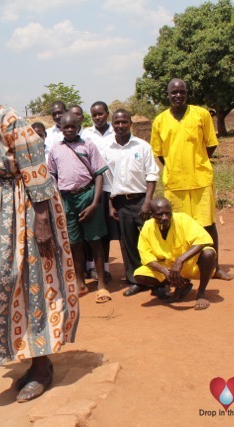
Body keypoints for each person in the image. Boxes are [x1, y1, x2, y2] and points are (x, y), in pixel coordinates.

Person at [0, 64, 79, 403]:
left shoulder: (8, 120)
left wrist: (41, 222)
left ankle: (42, 366)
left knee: (35, 282)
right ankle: (28, 357)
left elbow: (35, 166)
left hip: (28, 203)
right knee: (2, 283)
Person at [151, 78, 233, 281]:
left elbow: (211, 145)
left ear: (187, 94)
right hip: (175, 183)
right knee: (178, 228)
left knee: (207, 224)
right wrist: (175, 166)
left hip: (200, 179)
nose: (178, 95)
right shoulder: (159, 121)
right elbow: (160, 154)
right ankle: (186, 268)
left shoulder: (201, 114)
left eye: (182, 92)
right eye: (174, 92)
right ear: (167, 95)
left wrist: (197, 162)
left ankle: (215, 267)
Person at [48, 112, 110, 302]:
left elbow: (99, 174)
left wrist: (94, 203)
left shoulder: (88, 145)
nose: (68, 130)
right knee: (74, 243)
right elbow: (52, 176)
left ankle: (101, 284)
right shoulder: (55, 149)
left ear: (78, 126)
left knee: (95, 241)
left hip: (87, 195)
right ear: (60, 128)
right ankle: (79, 281)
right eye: (65, 127)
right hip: (67, 199)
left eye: (72, 127)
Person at [105, 109, 159, 296]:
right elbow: (106, 181)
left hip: (141, 200)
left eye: (124, 122)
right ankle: (136, 280)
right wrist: (111, 205)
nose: (120, 126)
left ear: (131, 124)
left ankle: (158, 280)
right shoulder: (107, 149)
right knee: (127, 244)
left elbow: (152, 175)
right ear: (112, 124)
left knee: (151, 241)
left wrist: (148, 202)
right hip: (120, 203)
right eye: (117, 122)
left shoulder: (142, 146)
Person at [134, 197, 217, 310]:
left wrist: (180, 260)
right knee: (140, 275)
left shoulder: (183, 219)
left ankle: (201, 293)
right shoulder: (148, 227)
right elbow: (145, 256)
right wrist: (165, 272)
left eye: (168, 213)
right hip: (167, 268)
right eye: (160, 214)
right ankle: (182, 285)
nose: (165, 218)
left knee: (208, 253)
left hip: (188, 265)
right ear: (151, 214)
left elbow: (202, 240)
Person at [81, 101, 116, 282]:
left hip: (114, 187)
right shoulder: (86, 134)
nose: (97, 117)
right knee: (96, 231)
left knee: (109, 233)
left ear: (107, 114)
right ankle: (93, 267)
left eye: (101, 114)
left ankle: (107, 268)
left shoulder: (116, 131)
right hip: (95, 188)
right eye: (94, 115)